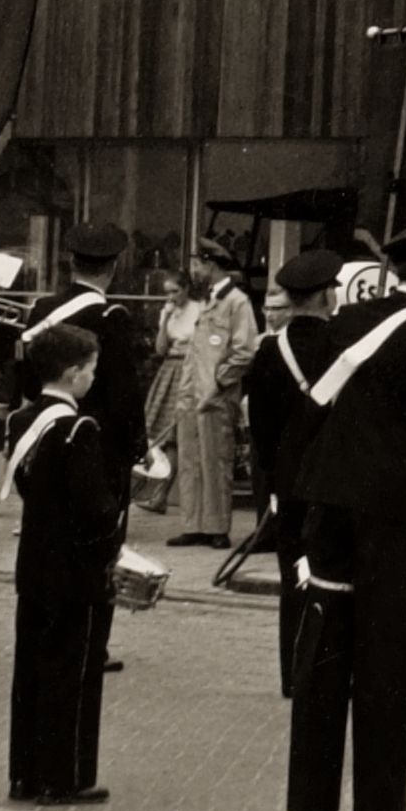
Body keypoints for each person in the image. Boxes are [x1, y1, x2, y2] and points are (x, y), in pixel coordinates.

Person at [286, 217, 406, 811]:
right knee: (384, 664)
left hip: (328, 510)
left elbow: (313, 413)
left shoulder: (348, 323)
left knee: (323, 661)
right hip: (389, 522)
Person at [5, 324, 125, 806]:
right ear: (74, 374)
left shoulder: (23, 420)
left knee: (31, 671)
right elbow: (95, 508)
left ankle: (25, 774)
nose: (94, 378)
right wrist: (113, 540)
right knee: (70, 675)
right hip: (74, 571)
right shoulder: (78, 428)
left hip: (34, 562)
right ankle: (63, 775)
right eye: (92, 369)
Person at [23, 224, 147, 673]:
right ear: (112, 268)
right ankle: (93, 643)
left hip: (47, 433)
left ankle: (48, 634)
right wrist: (139, 446)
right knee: (100, 541)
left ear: (70, 263)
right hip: (99, 445)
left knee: (48, 536)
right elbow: (125, 391)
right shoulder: (111, 316)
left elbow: (24, 376)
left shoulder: (41, 308)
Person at [243, 248, 342, 697]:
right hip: (334, 484)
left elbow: (259, 428)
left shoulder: (269, 352)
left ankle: (294, 673)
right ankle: (328, 669)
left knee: (295, 577)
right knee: (334, 577)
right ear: (325, 296)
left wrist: (274, 475)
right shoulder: (342, 346)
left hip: (287, 483)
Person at [168, 243, 260, 550]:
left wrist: (219, 384)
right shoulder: (206, 301)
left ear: (212, 265)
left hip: (216, 396)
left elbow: (244, 350)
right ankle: (193, 524)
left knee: (216, 462)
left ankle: (217, 527)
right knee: (190, 461)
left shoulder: (236, 301)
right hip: (191, 394)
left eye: (197, 264)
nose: (193, 271)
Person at [137, 274, 194, 512]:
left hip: (188, 368)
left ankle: (163, 496)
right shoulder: (168, 312)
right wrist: (165, 319)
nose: (171, 297)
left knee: (176, 436)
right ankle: (158, 494)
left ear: (186, 289)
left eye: (175, 291)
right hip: (169, 367)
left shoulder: (198, 310)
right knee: (162, 434)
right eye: (167, 292)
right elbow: (160, 348)